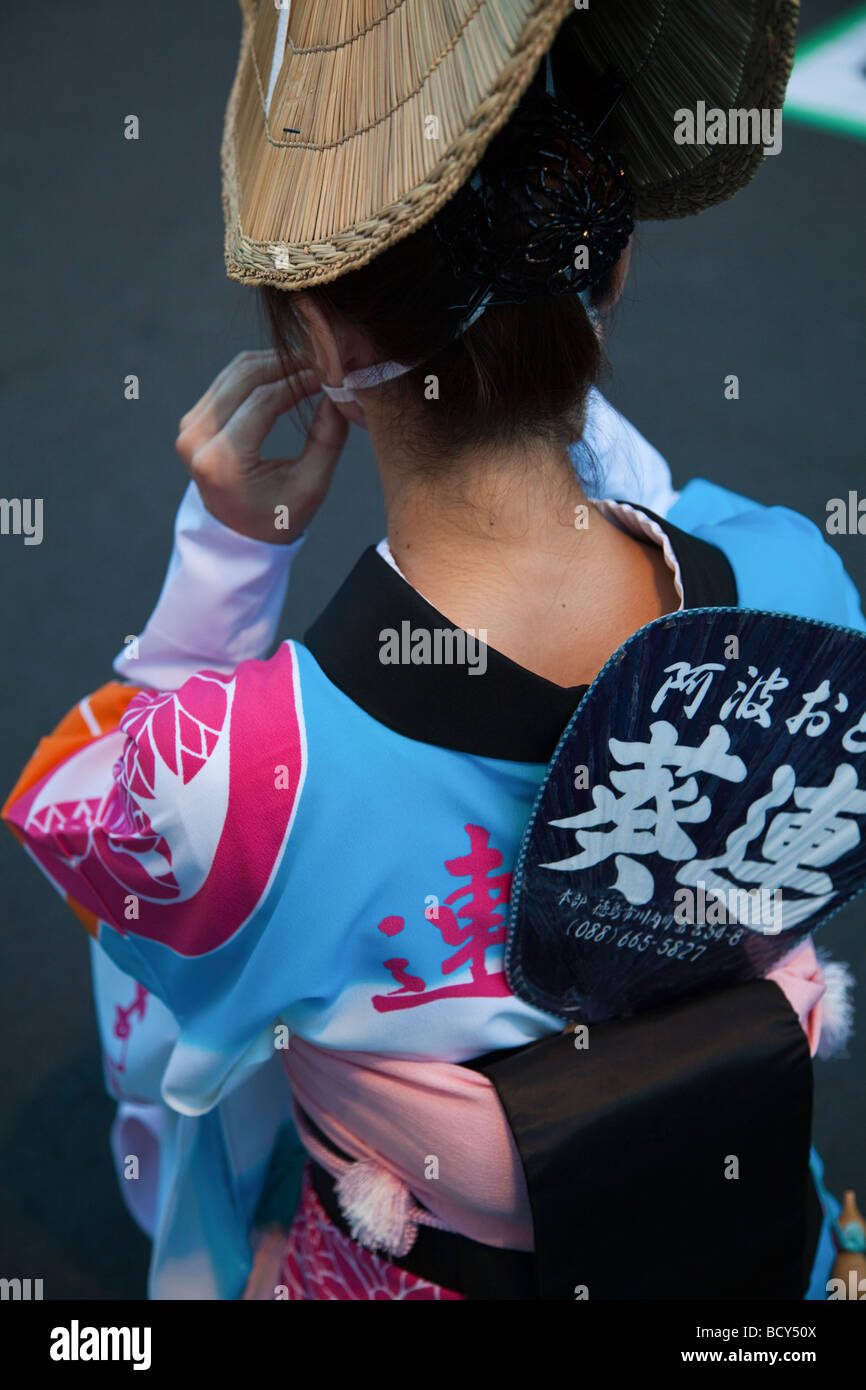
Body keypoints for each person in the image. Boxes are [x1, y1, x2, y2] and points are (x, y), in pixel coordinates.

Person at [3, 0, 862, 1300]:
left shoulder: (231, 774)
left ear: (314, 342)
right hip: (749, 1259)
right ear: (611, 269)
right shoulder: (798, 583)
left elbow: (77, 826)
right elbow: (661, 515)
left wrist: (232, 552)